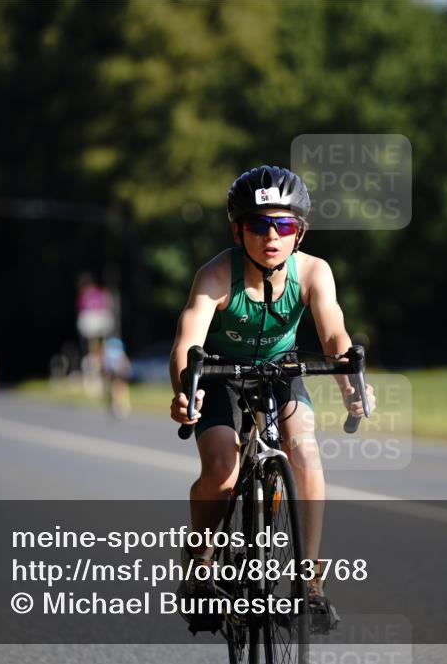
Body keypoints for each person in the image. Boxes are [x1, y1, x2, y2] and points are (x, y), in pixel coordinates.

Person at [170, 165, 376, 632]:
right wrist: (184, 391)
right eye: (258, 224)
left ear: (299, 231)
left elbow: (334, 334)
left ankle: (310, 581)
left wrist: (351, 384)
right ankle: (200, 564)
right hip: (219, 373)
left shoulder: (314, 272)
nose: (271, 236)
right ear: (237, 231)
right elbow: (187, 341)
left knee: (304, 450)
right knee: (222, 470)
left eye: (283, 224)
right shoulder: (215, 275)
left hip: (280, 370)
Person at [101, 336, 132, 418]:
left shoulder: (112, 355)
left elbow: (106, 367)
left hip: (119, 376)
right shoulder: (118, 355)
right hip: (117, 376)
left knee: (118, 391)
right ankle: (120, 407)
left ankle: (120, 407)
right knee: (119, 391)